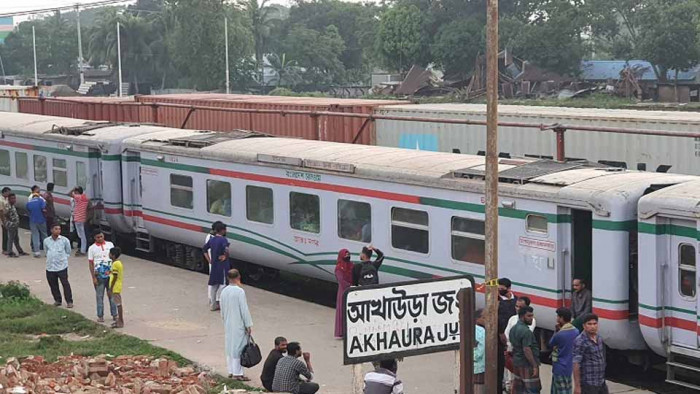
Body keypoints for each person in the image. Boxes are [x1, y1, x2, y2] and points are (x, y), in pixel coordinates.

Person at [220, 269, 253, 381]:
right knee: (239, 348)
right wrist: (248, 324)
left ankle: (230, 370)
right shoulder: (240, 292)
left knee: (230, 346)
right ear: (238, 277)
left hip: (228, 322)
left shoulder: (224, 291)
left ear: (228, 278)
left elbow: (222, 309)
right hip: (238, 323)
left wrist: (224, 320)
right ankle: (237, 373)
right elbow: (244, 309)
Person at [505, 296, 538, 389]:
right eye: (516, 306)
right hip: (516, 355)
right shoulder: (512, 319)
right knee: (525, 385)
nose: (518, 309)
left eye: (520, 307)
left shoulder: (531, 322)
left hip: (518, 355)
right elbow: (506, 334)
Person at [509, 305, 541, 394]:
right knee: (532, 389)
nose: (532, 318)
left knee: (519, 389)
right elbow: (527, 349)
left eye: (532, 315)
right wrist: (534, 365)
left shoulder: (513, 329)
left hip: (517, 363)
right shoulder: (526, 332)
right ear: (522, 317)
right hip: (527, 365)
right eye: (529, 316)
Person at [573, 314, 607, 394]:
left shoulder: (599, 338)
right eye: (589, 324)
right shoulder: (580, 341)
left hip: (601, 382)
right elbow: (576, 364)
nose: (592, 326)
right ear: (584, 326)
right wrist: (577, 386)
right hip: (588, 384)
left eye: (595, 324)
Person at [88, 230, 117, 323]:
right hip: (99, 276)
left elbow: (114, 259)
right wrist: (93, 277)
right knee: (99, 296)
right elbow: (91, 264)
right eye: (98, 237)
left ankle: (114, 314)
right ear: (95, 238)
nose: (100, 239)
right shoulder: (92, 248)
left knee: (112, 296)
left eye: (101, 236)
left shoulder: (110, 245)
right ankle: (100, 315)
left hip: (110, 275)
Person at [550, 308, 579, 394]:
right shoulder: (576, 331)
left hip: (559, 367)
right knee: (567, 389)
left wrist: (556, 331)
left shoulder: (560, 334)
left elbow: (551, 343)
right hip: (569, 367)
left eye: (558, 316)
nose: (557, 318)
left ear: (561, 318)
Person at [44, 224, 73, 308]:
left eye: (59, 229)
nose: (58, 231)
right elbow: (46, 251)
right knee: (53, 284)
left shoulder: (64, 240)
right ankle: (57, 300)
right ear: (51, 230)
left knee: (65, 284)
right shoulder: (46, 240)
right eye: (56, 229)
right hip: (50, 267)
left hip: (62, 266)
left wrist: (63, 258)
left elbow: (68, 251)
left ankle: (69, 301)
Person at [203, 222, 230, 311]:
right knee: (223, 285)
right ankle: (222, 305)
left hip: (214, 265)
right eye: (225, 229)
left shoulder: (212, 240)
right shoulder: (224, 240)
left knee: (214, 286)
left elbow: (204, 249)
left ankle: (213, 305)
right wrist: (225, 256)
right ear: (222, 231)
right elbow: (226, 250)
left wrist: (209, 260)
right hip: (222, 266)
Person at [498, 277, 518, 394]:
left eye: (502, 289)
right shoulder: (496, 300)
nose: (500, 291)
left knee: (512, 363)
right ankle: (506, 385)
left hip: (512, 337)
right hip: (501, 336)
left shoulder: (517, 301)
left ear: (509, 288)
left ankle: (512, 386)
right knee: (504, 362)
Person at [335, 249, 354, 338]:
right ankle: (342, 332)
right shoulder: (339, 268)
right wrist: (350, 286)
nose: (347, 257)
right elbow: (341, 280)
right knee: (342, 310)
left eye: (348, 255)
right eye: (346, 255)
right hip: (343, 291)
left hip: (351, 290)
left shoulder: (351, 265)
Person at [26, 190, 48, 258]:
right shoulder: (41, 201)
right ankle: (47, 252)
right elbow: (44, 209)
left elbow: (28, 212)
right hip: (41, 220)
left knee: (35, 236)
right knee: (44, 235)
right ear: (38, 196)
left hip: (33, 221)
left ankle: (37, 252)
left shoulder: (28, 203)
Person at [4, 193, 27, 258]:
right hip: (11, 225)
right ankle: (10, 252)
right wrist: (9, 222)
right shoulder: (7, 206)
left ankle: (20, 251)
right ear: (9, 199)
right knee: (11, 238)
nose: (14, 200)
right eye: (12, 198)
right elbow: (5, 214)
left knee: (16, 239)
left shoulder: (13, 205)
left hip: (15, 225)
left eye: (14, 198)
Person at [108, 247, 125, 328]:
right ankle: (119, 320)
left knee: (118, 304)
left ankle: (120, 321)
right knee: (118, 303)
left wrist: (111, 288)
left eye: (110, 253)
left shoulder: (115, 264)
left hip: (115, 287)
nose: (109, 255)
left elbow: (115, 276)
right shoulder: (117, 263)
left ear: (113, 255)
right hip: (117, 286)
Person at [72, 187, 90, 257]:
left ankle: (83, 250)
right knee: (82, 235)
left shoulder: (78, 197)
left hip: (77, 218)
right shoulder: (85, 198)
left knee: (81, 235)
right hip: (83, 218)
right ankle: (83, 249)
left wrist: (73, 189)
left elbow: (69, 194)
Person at [474, 309, 486, 394]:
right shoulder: (481, 331)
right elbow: (480, 350)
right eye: (484, 318)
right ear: (477, 319)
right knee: (479, 389)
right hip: (479, 366)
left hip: (476, 366)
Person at [1, 187, 11, 255]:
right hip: (4, 218)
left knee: (8, 234)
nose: (9, 194)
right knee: (5, 234)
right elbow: (1, 211)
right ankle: (4, 249)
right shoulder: (0, 200)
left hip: (8, 218)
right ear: (4, 192)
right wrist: (3, 221)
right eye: (8, 192)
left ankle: (7, 248)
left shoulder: (6, 199)